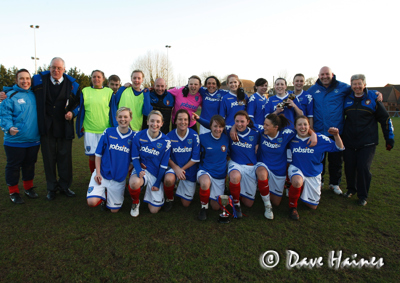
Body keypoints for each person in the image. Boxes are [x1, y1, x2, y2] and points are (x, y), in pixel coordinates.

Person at [342, 74, 394, 206]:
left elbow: (385, 119)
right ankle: (351, 189)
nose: (357, 86)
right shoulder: (346, 98)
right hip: (349, 140)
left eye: (359, 84)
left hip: (367, 141)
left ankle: (362, 195)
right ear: (351, 85)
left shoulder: (373, 98)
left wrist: (389, 139)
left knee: (363, 167)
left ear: (364, 85)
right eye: (354, 84)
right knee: (349, 167)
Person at [33, 57, 79, 201]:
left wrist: (73, 113)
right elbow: (23, 86)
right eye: (53, 67)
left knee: (65, 159)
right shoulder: (39, 80)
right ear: (49, 67)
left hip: (65, 127)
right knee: (49, 159)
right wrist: (6, 92)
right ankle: (51, 188)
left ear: (64, 70)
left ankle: (65, 186)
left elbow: (78, 104)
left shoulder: (73, 85)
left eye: (59, 68)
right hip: (46, 127)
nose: (56, 70)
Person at [287, 116, 344, 220]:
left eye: (305, 124)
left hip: (313, 173)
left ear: (309, 126)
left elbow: (339, 147)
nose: (302, 127)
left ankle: (299, 190)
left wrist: (336, 135)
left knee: (313, 206)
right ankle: (293, 207)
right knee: (297, 181)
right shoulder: (291, 138)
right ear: (295, 127)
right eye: (299, 124)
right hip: (296, 169)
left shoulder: (319, 138)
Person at [0, 69, 40, 204]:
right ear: (16, 81)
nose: (25, 81)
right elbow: (5, 115)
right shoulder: (10, 95)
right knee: (13, 167)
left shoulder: (34, 94)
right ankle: (14, 192)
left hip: (33, 140)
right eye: (22, 79)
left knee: (29, 165)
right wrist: (9, 127)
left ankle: (28, 189)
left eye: (27, 78)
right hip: (15, 141)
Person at [86, 107, 136, 212]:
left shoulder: (134, 137)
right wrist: (98, 173)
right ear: (116, 118)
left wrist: (124, 171)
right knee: (92, 202)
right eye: (120, 117)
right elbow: (98, 154)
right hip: (103, 174)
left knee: (114, 210)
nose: (123, 119)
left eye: (126, 117)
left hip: (118, 178)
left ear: (130, 118)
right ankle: (103, 196)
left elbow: (134, 160)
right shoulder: (108, 132)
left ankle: (109, 194)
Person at [128, 110, 171, 217]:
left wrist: (157, 183)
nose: (154, 124)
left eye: (157, 122)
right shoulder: (138, 136)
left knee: (154, 210)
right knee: (134, 182)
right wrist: (138, 170)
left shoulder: (166, 141)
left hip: (156, 173)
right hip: (141, 169)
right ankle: (135, 202)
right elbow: (135, 157)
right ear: (147, 122)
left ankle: (150, 190)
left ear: (162, 123)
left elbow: (164, 165)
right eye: (152, 121)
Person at [75, 70, 114, 174]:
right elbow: (81, 109)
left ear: (103, 79)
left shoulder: (109, 92)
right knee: (92, 156)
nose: (96, 79)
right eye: (94, 77)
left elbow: (113, 111)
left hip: (105, 130)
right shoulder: (85, 91)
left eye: (98, 77)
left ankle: (104, 177)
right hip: (89, 130)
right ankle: (94, 177)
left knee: (105, 155)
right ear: (91, 78)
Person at [163, 109, 200, 211]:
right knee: (168, 179)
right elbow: (167, 157)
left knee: (186, 204)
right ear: (175, 121)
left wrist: (181, 169)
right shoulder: (169, 136)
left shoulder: (194, 136)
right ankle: (169, 199)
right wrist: (176, 169)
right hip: (174, 168)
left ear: (189, 121)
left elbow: (195, 158)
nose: (183, 122)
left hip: (189, 169)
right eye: (180, 119)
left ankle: (180, 187)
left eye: (185, 119)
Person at [226, 111, 259, 218]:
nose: (239, 124)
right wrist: (198, 119)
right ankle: (236, 203)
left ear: (248, 122)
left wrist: (312, 134)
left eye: (242, 122)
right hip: (235, 163)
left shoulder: (256, 133)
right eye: (237, 121)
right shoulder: (229, 131)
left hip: (250, 167)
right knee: (234, 177)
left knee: (249, 204)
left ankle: (236, 192)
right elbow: (212, 124)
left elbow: (271, 127)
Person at [196, 115, 229, 221]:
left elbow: (229, 155)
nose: (217, 129)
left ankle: (217, 191)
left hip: (219, 174)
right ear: (210, 126)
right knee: (205, 183)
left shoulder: (227, 138)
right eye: (215, 126)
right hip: (206, 170)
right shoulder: (202, 138)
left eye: (220, 127)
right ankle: (203, 208)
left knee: (216, 207)